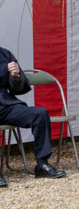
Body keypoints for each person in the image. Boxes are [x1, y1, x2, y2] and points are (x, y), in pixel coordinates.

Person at [0, 47, 67, 183]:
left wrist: (15, 76)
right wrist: (3, 69)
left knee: (40, 113)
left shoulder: (5, 54)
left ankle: (42, 164)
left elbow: (18, 89)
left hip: (6, 105)